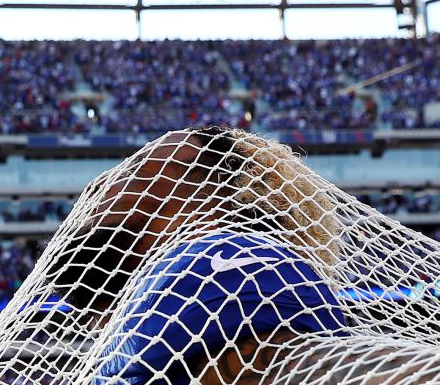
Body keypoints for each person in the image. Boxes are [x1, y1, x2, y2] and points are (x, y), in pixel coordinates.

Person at [49, 126, 439, 384]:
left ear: (213, 192)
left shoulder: (226, 263)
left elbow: (309, 365)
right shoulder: (141, 315)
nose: (104, 181)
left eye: (139, 166)